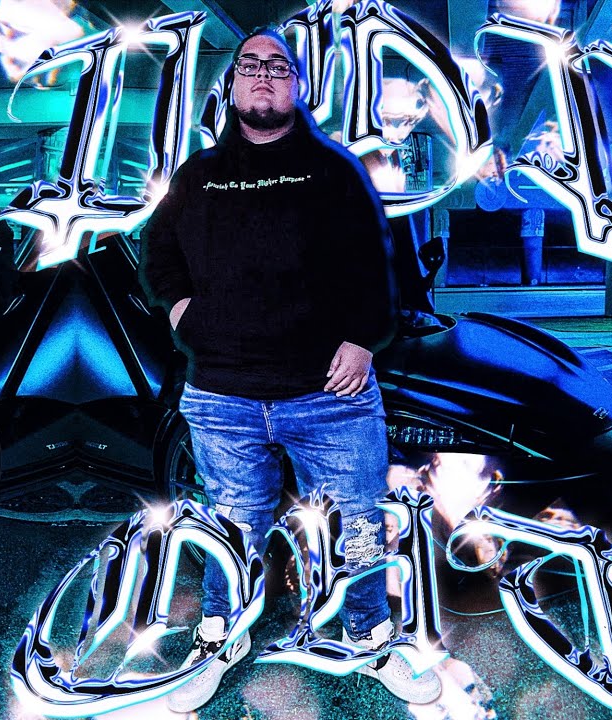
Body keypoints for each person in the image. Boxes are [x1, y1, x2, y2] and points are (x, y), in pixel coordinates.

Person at [139, 27, 442, 713]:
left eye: (278, 66)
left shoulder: (335, 171)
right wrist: (185, 314)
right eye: (250, 65)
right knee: (231, 525)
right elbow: (159, 258)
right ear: (232, 86)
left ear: (297, 86)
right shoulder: (197, 177)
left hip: (329, 394)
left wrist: (363, 341)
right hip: (223, 396)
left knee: (359, 522)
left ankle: (370, 636)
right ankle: (222, 636)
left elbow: (378, 267)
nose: (263, 75)